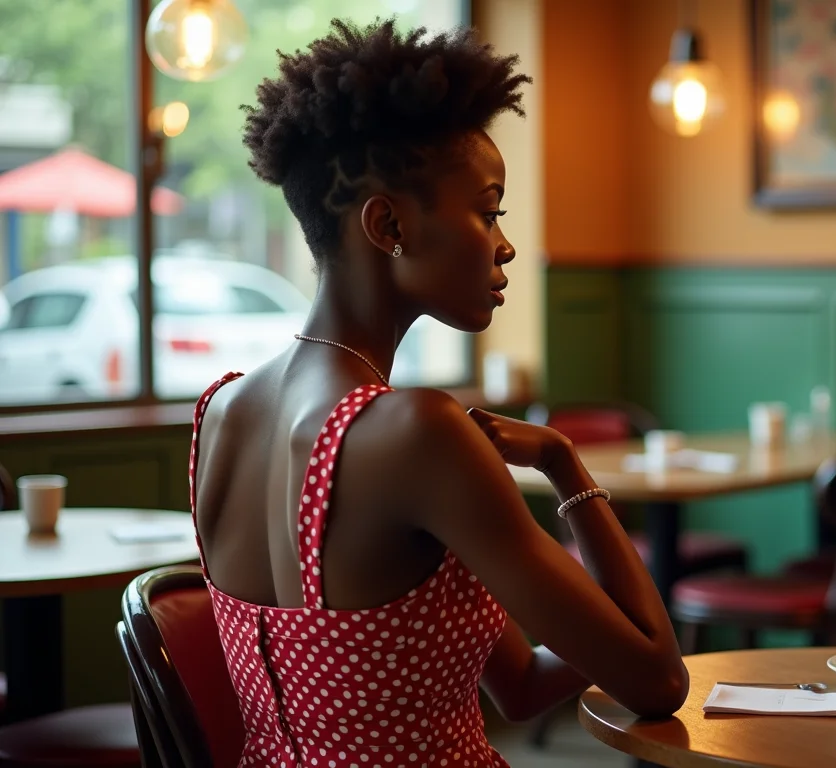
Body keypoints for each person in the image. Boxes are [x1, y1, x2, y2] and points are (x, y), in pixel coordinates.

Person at [188, 18, 688, 767]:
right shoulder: (415, 431)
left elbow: (519, 687)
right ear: (387, 224)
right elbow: (654, 677)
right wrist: (568, 470)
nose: (505, 243)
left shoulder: (219, 411)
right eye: (488, 211)